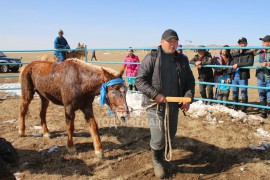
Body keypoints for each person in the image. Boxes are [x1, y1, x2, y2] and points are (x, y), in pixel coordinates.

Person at [135, 29, 195, 178]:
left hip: (174, 104)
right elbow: (139, 81)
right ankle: (156, 161)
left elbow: (190, 81)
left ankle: (162, 158)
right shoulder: (151, 58)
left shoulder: (182, 60)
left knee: (171, 133)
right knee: (159, 136)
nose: (173, 44)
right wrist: (155, 94)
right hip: (155, 106)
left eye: (175, 41)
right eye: (170, 41)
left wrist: (187, 97)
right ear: (162, 42)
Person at [227, 37, 254, 112]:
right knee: (234, 92)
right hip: (234, 76)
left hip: (243, 76)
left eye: (243, 43)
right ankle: (235, 106)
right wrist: (229, 76)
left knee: (243, 92)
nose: (241, 44)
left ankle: (244, 108)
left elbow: (250, 63)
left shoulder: (249, 53)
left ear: (246, 44)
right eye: (240, 43)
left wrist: (238, 64)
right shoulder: (235, 54)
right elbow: (231, 65)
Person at [254, 35, 270, 118]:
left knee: (269, 95)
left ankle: (269, 110)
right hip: (260, 76)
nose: (262, 43)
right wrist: (261, 64)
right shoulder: (259, 52)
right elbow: (255, 63)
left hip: (269, 77)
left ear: (269, 43)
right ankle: (263, 111)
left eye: (264, 42)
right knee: (261, 94)